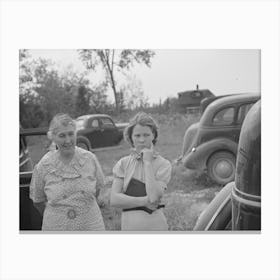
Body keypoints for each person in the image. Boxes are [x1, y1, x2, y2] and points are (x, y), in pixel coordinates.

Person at [30, 113, 105, 231]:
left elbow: (98, 189)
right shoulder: (43, 166)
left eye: (71, 134)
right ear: (53, 137)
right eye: (62, 135)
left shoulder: (89, 159)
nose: (68, 140)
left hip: (91, 226)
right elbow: (38, 200)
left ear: (76, 133)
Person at [110, 112, 172, 231]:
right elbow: (114, 200)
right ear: (131, 137)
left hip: (156, 228)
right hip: (129, 228)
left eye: (146, 135)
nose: (142, 140)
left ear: (153, 135)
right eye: (137, 136)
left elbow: (153, 197)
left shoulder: (163, 164)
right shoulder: (123, 163)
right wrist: (143, 201)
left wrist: (148, 163)